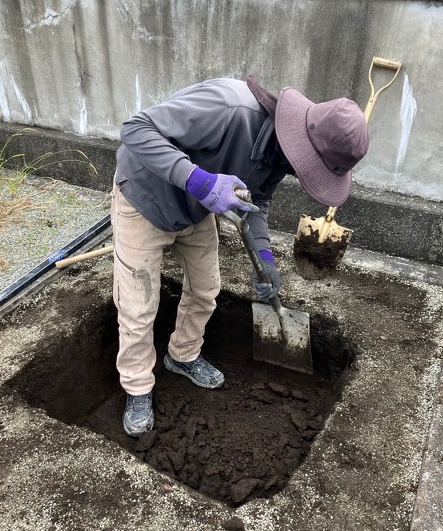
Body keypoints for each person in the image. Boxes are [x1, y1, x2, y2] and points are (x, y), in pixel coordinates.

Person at [112, 76, 369, 437]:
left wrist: (265, 256)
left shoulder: (281, 154)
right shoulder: (227, 108)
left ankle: (182, 355)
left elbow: (257, 200)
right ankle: (138, 386)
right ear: (304, 144)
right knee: (138, 308)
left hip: (197, 210)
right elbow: (135, 130)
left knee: (206, 290)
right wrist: (199, 181)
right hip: (145, 199)